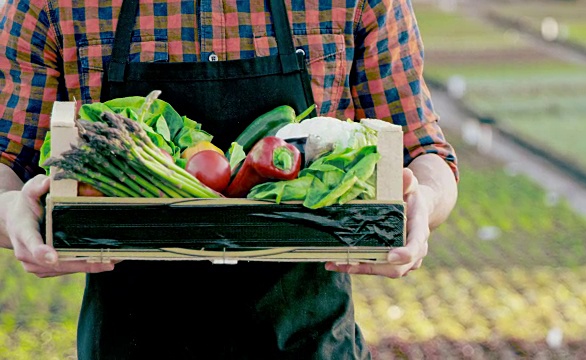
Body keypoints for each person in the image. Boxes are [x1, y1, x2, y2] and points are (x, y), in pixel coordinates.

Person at [0, 0, 458, 358]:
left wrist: (425, 200)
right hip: (128, 343)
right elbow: (7, 162)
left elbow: (422, 151)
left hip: (311, 342)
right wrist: (10, 211)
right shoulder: (53, 5)